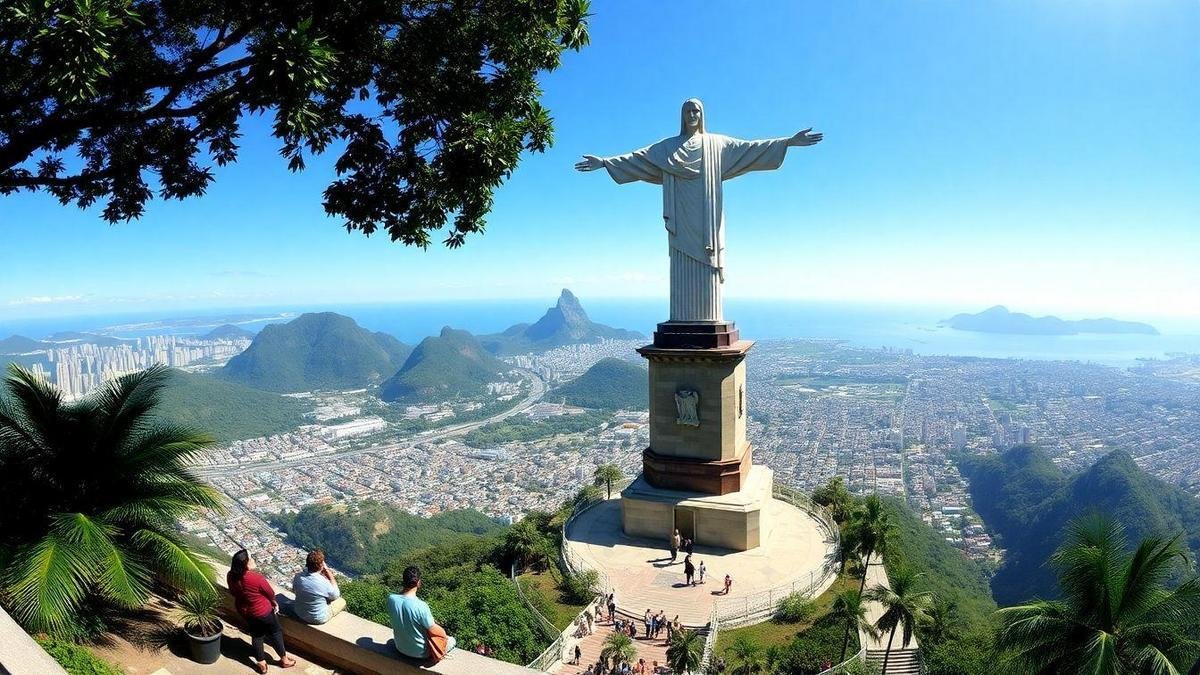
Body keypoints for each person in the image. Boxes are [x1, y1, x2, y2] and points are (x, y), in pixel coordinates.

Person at [227, 549, 296, 673]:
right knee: (275, 632)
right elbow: (270, 593)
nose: (253, 559)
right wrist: (274, 602)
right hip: (263, 612)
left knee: (257, 635)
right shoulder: (256, 578)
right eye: (251, 558)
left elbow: (232, 592)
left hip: (246, 612)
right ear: (245, 564)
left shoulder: (231, 576)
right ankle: (284, 660)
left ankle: (261, 663)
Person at [387, 566, 456, 661]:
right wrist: (445, 635)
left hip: (399, 648)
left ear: (403, 581)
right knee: (452, 640)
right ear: (418, 583)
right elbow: (436, 631)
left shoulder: (391, 599)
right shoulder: (421, 606)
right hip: (421, 654)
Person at [291, 549, 345, 625]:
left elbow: (295, 591)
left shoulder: (298, 576)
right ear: (321, 565)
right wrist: (328, 572)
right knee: (341, 601)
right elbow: (336, 595)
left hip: (299, 613)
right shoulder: (322, 582)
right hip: (317, 618)